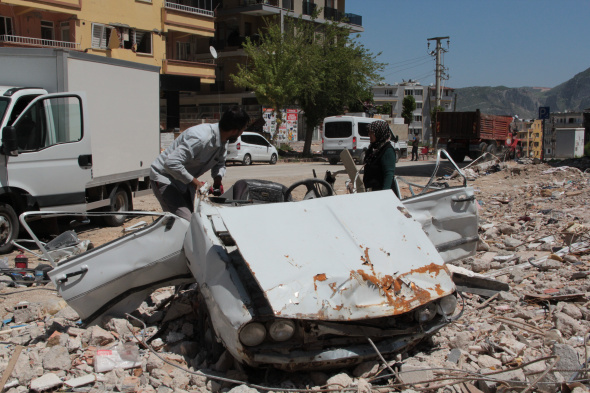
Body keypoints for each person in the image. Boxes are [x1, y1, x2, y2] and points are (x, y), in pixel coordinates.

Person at [150, 106, 250, 221]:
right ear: (235, 130)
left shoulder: (223, 140)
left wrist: (218, 178)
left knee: (193, 220)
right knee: (184, 222)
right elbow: (171, 163)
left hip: (183, 182)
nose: (241, 133)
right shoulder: (201, 138)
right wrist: (197, 184)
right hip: (164, 177)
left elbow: (220, 163)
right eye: (242, 129)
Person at [362, 120, 398, 196]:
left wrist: (384, 195)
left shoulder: (387, 150)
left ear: (379, 133)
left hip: (382, 193)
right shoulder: (374, 148)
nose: (369, 135)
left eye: (372, 132)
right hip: (372, 192)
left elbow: (389, 174)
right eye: (369, 132)